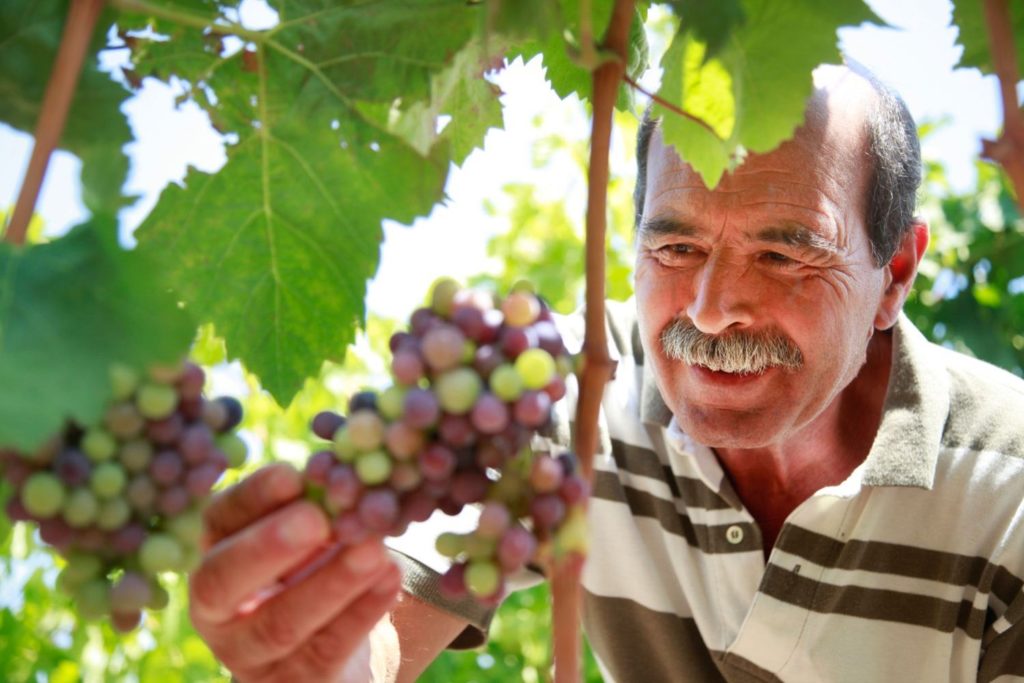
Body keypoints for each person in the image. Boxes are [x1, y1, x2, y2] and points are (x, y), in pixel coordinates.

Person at [188, 63, 1024, 682]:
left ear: (897, 273)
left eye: (782, 253)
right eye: (675, 246)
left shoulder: (1009, 495)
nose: (708, 308)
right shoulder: (559, 393)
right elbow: (375, 631)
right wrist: (316, 655)